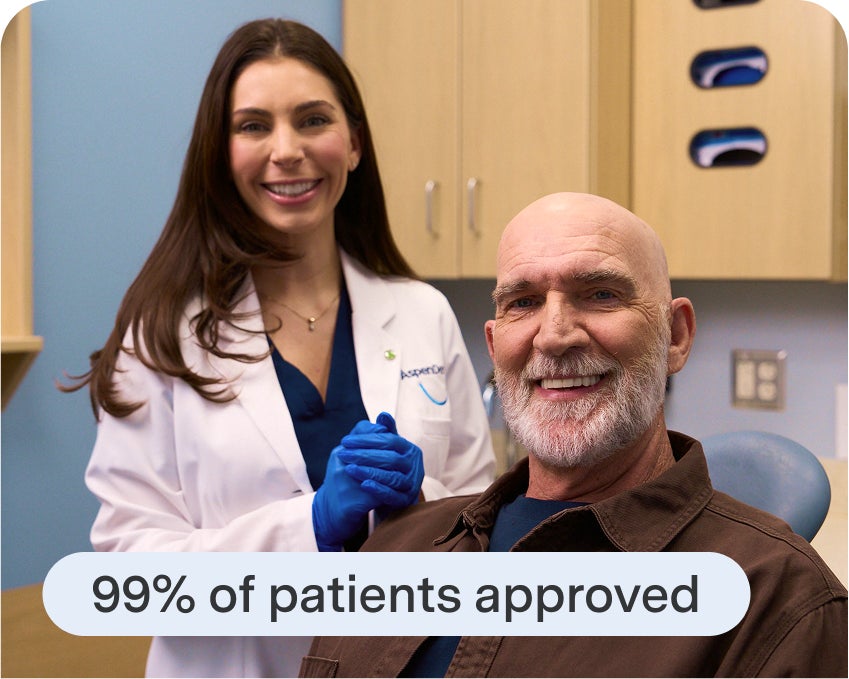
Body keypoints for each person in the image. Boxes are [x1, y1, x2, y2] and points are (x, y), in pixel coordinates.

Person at [64, 18, 495, 678]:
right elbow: (130, 576)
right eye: (253, 125)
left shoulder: (420, 314)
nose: (286, 149)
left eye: (312, 119)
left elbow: (483, 526)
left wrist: (421, 503)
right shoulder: (160, 335)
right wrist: (312, 527)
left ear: (353, 143)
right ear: (220, 152)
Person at [300, 192, 848, 678]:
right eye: (524, 302)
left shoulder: (779, 604)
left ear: (676, 336)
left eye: (601, 294)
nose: (555, 335)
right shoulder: (393, 550)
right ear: (494, 347)